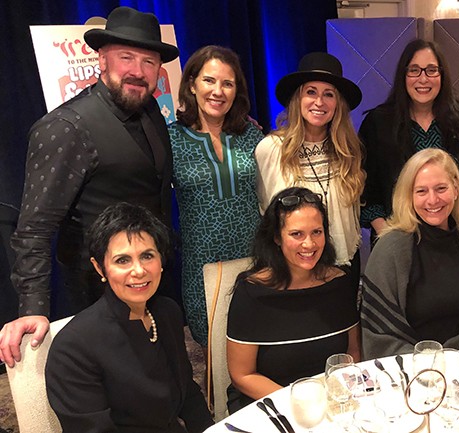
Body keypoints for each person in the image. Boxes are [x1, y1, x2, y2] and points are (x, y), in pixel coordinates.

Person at [0, 6, 178, 368]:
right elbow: (33, 228)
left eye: (148, 62)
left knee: (157, 371)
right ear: (101, 58)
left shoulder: (151, 112)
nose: (137, 71)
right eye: (126, 57)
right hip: (96, 293)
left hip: (150, 278)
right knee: (115, 386)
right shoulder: (66, 127)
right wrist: (33, 306)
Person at [45, 203, 213, 433]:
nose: (139, 270)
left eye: (147, 256)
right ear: (100, 268)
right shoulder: (73, 347)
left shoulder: (166, 312)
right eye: (122, 260)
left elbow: (188, 394)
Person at [361, 148, 459, 359]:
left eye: (441, 188)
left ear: (456, 190)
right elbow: (380, 333)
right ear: (408, 195)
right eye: (421, 191)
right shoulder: (389, 249)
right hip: (414, 369)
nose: (432, 200)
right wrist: (431, 364)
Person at [226, 187, 360, 411]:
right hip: (270, 403)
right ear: (277, 237)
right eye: (297, 234)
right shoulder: (252, 294)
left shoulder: (339, 283)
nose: (309, 244)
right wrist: (300, 402)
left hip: (331, 401)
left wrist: (333, 398)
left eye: (316, 232)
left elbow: (352, 352)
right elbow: (242, 375)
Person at [169, 45, 264, 346]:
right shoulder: (170, 139)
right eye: (209, 80)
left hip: (255, 259)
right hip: (202, 265)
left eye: (228, 83)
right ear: (192, 84)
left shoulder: (251, 135)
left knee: (257, 339)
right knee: (212, 344)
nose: (218, 91)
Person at [255, 52, 365, 277]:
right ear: (298, 99)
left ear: (338, 104)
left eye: (329, 94)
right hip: (296, 267)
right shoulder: (273, 149)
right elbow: (268, 212)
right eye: (311, 92)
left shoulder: (348, 149)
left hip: (343, 264)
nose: (319, 102)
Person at [359, 39, 459, 236]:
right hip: (395, 234)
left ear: (442, 74)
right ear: (403, 75)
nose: (423, 79)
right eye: (414, 70)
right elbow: (368, 188)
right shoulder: (378, 123)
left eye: (431, 70)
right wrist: (388, 237)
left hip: (451, 236)